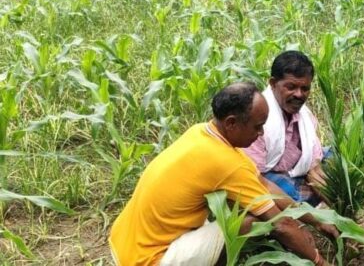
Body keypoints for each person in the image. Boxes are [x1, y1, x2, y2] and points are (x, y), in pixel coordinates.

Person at [109, 82, 335, 266]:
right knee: (254, 220)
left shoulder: (201, 132)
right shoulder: (226, 163)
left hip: (124, 243)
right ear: (231, 123)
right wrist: (320, 262)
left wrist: (316, 221)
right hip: (150, 259)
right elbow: (281, 223)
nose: (261, 133)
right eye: (257, 126)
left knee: (250, 209)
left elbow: (264, 185)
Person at [244, 51, 328, 205]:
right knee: (286, 193)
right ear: (273, 83)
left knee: (339, 160)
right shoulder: (258, 120)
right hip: (269, 174)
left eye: (305, 88)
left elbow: (314, 153)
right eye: (291, 87)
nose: (299, 94)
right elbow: (252, 176)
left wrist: (314, 168)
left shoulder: (305, 115)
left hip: (299, 169)